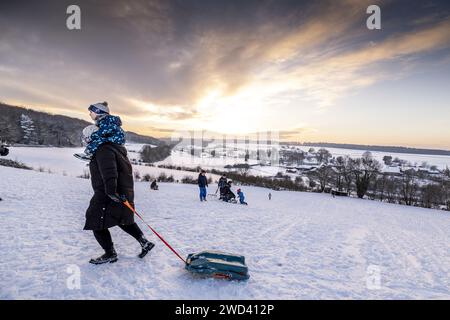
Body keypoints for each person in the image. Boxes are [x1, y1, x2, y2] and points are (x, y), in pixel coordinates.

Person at [83, 102, 155, 264]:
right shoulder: (113, 145)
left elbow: (110, 171)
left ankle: (110, 253)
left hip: (108, 192)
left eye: (91, 112)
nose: (89, 115)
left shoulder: (103, 147)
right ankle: (145, 242)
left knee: (95, 220)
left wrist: (110, 191)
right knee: (122, 218)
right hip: (120, 191)